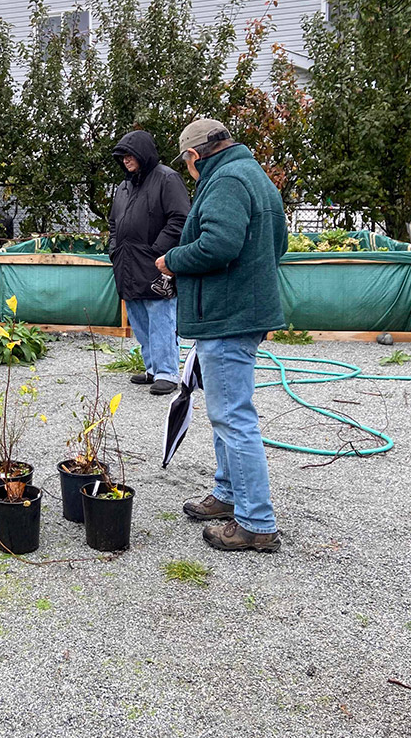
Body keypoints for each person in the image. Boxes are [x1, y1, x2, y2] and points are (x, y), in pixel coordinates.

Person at [156, 119, 288, 553]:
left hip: (228, 316)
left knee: (233, 416)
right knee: (225, 413)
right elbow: (278, 245)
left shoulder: (227, 181)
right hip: (239, 312)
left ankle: (255, 521)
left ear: (194, 157)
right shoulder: (253, 175)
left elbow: (219, 245)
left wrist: (172, 260)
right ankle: (229, 495)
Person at [107, 129, 190, 396]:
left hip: (156, 265)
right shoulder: (124, 186)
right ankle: (153, 368)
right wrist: (114, 250)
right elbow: (113, 223)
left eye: (130, 154)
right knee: (140, 319)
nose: (125, 160)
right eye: (122, 156)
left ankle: (167, 372)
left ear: (144, 153)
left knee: (162, 316)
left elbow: (180, 219)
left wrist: (157, 252)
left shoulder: (167, 179)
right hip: (127, 265)